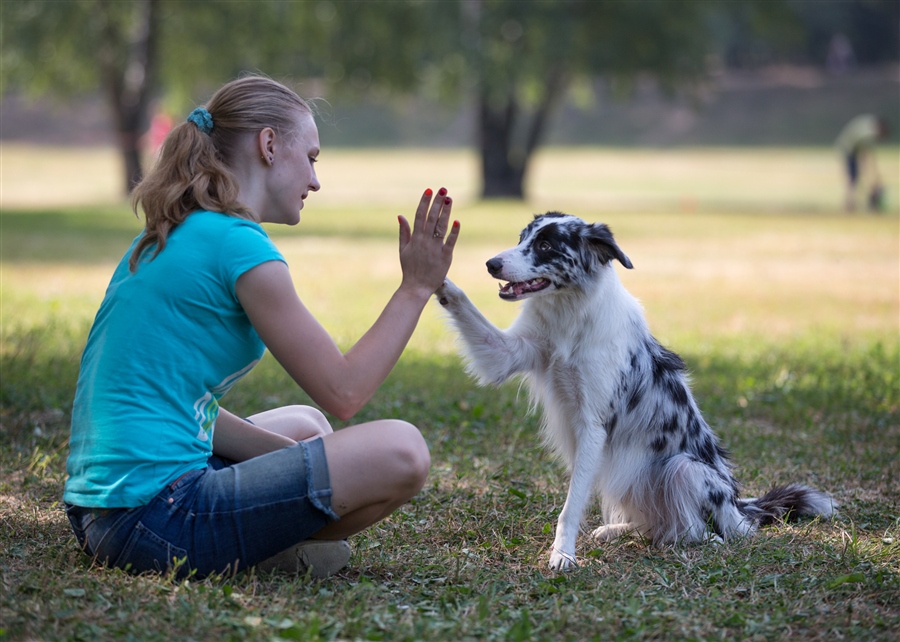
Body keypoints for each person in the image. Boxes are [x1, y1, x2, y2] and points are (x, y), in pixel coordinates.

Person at [63, 75, 460, 580]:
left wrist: (299, 461)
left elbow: (181, 400)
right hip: (156, 519)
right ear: (269, 145)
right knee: (403, 451)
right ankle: (265, 552)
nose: (315, 181)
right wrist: (415, 288)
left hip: (101, 514)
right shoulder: (238, 246)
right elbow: (344, 391)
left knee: (307, 426)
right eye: (312, 158)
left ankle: (259, 539)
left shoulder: (177, 231)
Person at [835, 114, 889, 212]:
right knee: (853, 177)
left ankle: (852, 203)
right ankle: (850, 203)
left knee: (855, 177)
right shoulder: (868, 134)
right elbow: (866, 156)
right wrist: (873, 177)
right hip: (849, 149)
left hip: (853, 147)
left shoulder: (870, 128)